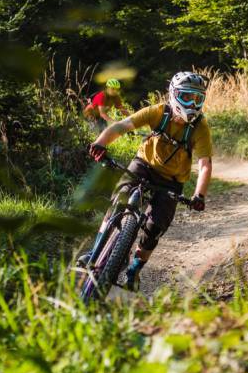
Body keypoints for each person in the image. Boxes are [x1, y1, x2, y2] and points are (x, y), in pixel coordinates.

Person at [87, 71, 212, 291]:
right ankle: (95, 250)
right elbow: (122, 126)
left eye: (197, 99)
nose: (192, 104)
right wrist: (100, 143)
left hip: (171, 180)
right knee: (119, 198)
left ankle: (134, 269)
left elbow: (204, 165)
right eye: (186, 97)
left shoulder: (200, 127)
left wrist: (199, 195)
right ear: (174, 95)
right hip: (144, 164)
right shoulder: (158, 112)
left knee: (155, 226)